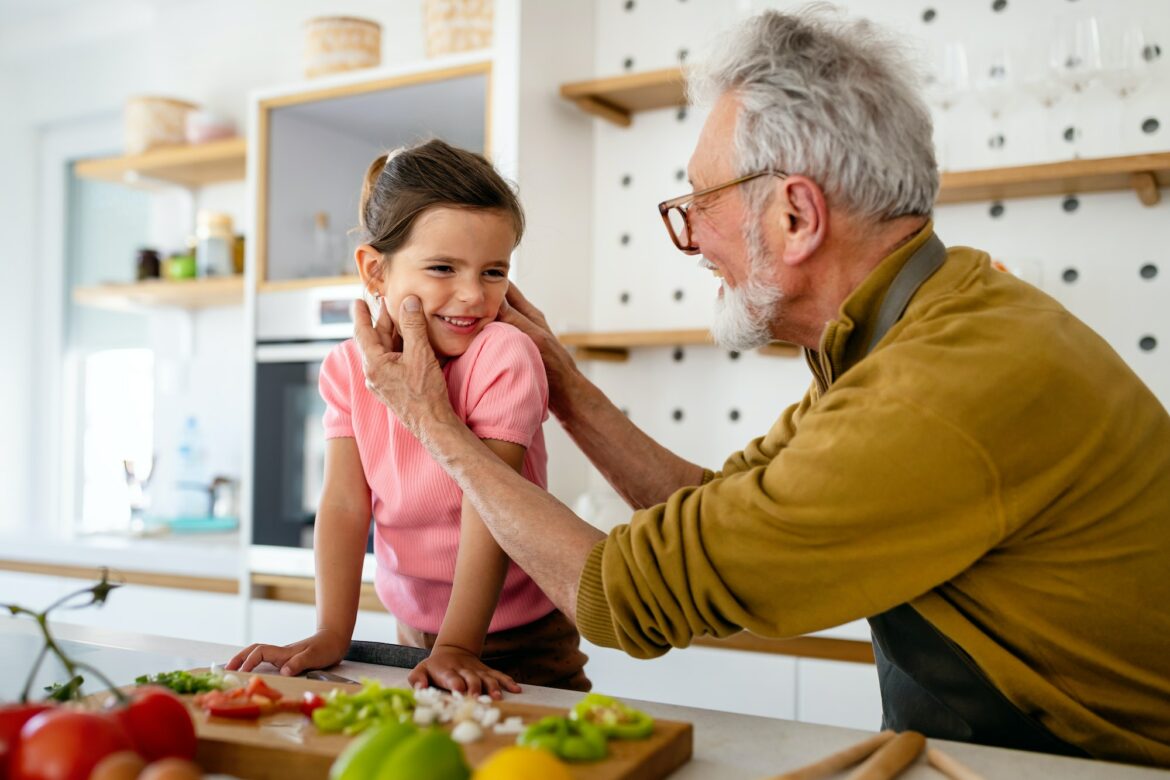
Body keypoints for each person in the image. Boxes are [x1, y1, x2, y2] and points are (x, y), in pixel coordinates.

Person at [352, 8, 1170, 768]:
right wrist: (566, 388)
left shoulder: (931, 387)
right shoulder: (918, 325)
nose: (692, 239)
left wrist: (433, 424)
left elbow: (622, 595)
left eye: (700, 204)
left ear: (796, 216)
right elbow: (725, 508)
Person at [228, 139, 589, 696]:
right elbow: (346, 505)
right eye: (443, 267)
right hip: (413, 630)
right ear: (375, 271)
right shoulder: (350, 368)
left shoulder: (504, 354)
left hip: (520, 636)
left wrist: (459, 645)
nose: (472, 295)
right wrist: (332, 631)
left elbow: (490, 508)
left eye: (494, 271)